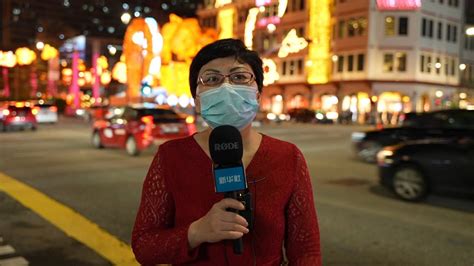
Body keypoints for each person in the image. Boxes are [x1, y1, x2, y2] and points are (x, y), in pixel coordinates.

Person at [132, 39, 321, 266]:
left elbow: (306, 251)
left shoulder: (288, 157)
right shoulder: (170, 157)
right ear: (198, 101)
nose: (226, 87)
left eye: (239, 77)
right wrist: (196, 232)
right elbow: (144, 246)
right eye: (212, 79)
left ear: (258, 95)